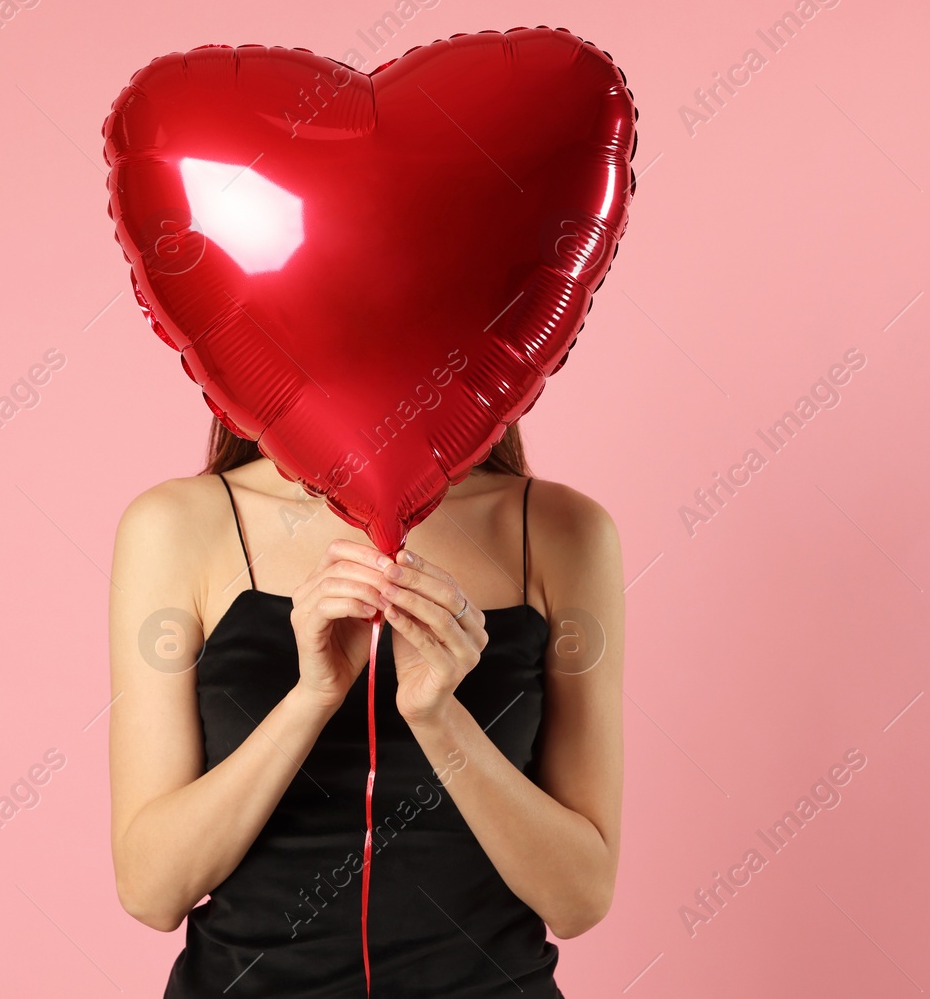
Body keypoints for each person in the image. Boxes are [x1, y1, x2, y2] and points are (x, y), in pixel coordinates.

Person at [109, 418, 625, 997]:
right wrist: (312, 699)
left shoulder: (563, 530)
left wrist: (439, 718)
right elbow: (152, 892)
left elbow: (579, 901)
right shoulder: (177, 525)